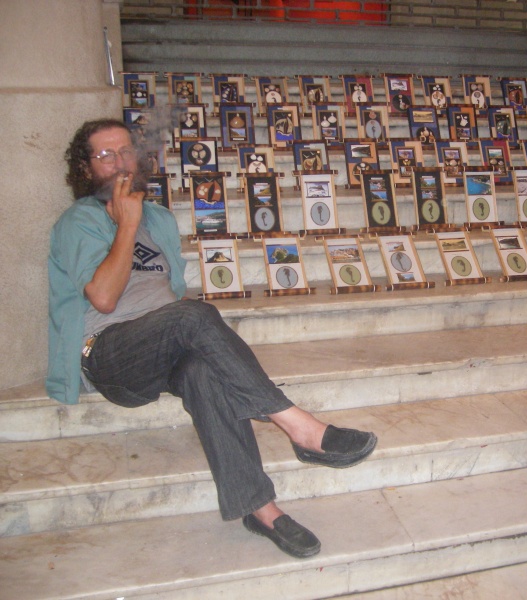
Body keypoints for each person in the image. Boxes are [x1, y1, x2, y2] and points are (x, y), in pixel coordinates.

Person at [47, 118, 377, 559]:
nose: (120, 163)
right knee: (193, 316)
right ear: (86, 168)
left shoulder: (158, 219)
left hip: (161, 347)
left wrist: (140, 221)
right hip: (108, 354)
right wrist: (126, 225)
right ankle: (301, 428)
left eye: (126, 151)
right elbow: (104, 299)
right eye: (105, 155)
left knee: (205, 370)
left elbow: (170, 294)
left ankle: (260, 509)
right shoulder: (79, 221)